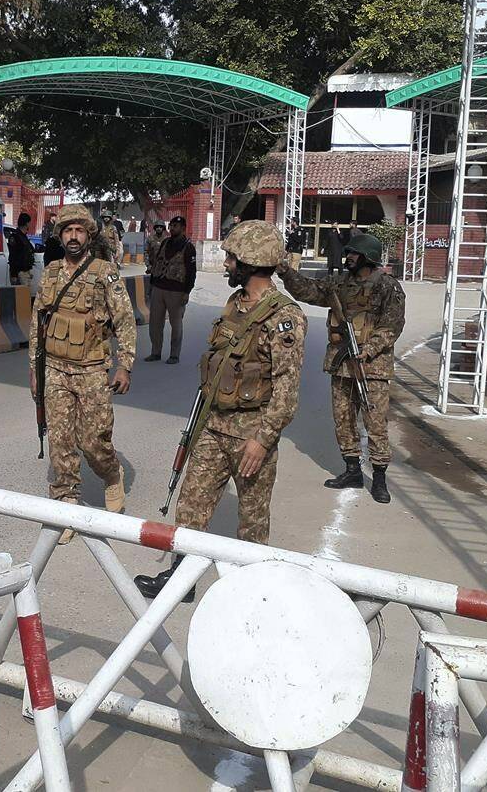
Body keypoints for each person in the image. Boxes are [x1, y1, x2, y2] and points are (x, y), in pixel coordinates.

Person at [134, 221, 306, 600]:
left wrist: (262, 440)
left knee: (252, 519)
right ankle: (182, 580)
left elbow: (286, 392)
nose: (226, 263)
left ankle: (253, 591)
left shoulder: (284, 318)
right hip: (214, 425)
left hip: (252, 432)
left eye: (231, 257)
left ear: (250, 261)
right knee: (192, 503)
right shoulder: (236, 303)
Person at [29, 204, 135, 542]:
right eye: (67, 230)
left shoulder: (105, 272)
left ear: (89, 235)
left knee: (93, 441)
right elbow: (38, 325)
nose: (73, 236)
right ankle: (67, 504)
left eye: (79, 230)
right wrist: (35, 368)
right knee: (60, 440)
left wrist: (125, 364)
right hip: (56, 369)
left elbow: (125, 320)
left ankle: (111, 474)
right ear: (60, 235)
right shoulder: (50, 273)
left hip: (92, 370)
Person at [279, 231, 405, 503]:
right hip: (341, 364)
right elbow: (309, 290)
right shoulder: (339, 284)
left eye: (353, 254)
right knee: (343, 420)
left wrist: (368, 349)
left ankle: (380, 479)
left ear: (368, 258)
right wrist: (286, 273)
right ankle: (352, 471)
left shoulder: (387, 287)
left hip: (373, 368)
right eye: (348, 253)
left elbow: (393, 325)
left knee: (375, 423)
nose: (347, 258)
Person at [145, 215, 197, 364]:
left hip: (177, 290)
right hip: (159, 287)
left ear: (183, 228)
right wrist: (152, 284)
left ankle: (174, 354)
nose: (172, 228)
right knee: (155, 322)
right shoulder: (165, 243)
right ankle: (156, 352)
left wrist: (187, 292)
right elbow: (157, 262)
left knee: (176, 324)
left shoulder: (188, 247)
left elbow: (192, 272)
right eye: (172, 225)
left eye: (176, 226)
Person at [8, 212, 36, 286]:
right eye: (29, 223)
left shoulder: (24, 237)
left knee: (26, 296)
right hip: (19, 273)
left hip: (26, 271)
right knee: (21, 296)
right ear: (26, 223)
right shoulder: (16, 237)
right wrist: (14, 274)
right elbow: (12, 256)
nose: (30, 225)